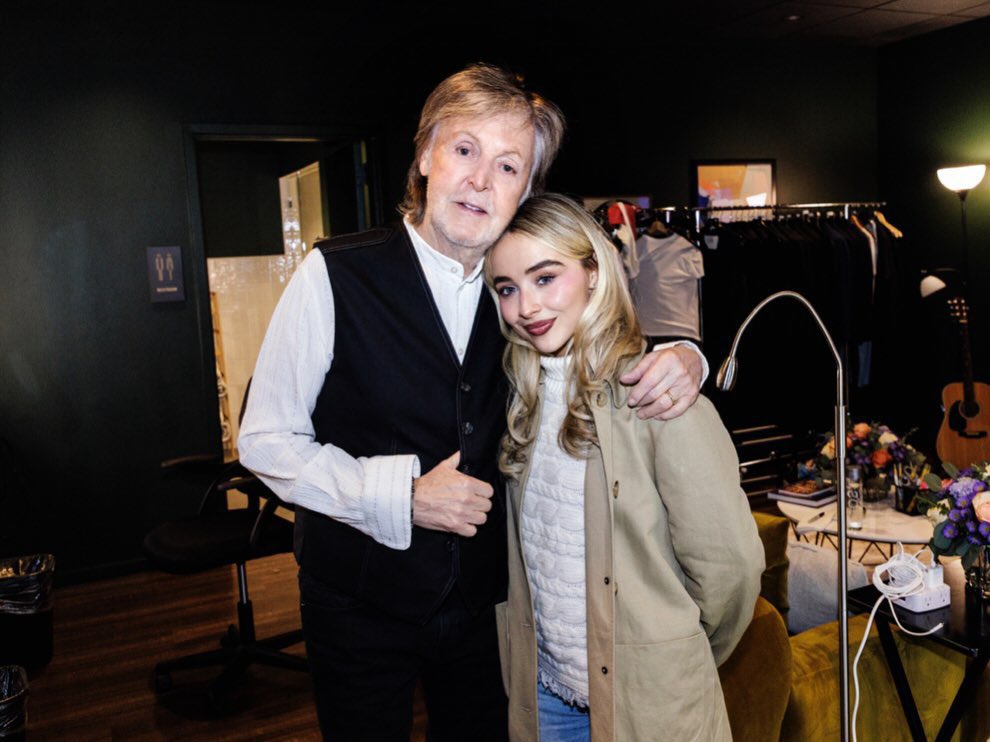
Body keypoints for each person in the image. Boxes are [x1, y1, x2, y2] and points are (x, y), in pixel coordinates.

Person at [238, 64, 706, 741]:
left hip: (487, 609)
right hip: (357, 601)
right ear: (426, 154)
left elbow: (602, 340)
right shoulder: (333, 275)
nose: (482, 180)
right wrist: (399, 495)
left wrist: (686, 354)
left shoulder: (521, 294)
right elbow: (265, 440)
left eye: (509, 165)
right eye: (465, 150)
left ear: (526, 191)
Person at [485, 193, 764, 741]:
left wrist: (671, 652)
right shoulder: (517, 399)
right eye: (507, 289)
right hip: (545, 693)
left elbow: (731, 567)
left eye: (545, 278)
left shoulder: (657, 396)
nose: (526, 307)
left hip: (649, 702)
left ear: (593, 271)